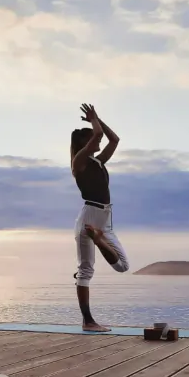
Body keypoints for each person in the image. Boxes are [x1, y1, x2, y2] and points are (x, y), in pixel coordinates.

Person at [70, 103, 130, 332]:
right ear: (85, 144)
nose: (99, 142)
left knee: (123, 266)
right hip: (89, 217)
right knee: (86, 270)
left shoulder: (98, 162)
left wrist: (99, 119)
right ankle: (88, 322)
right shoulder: (80, 162)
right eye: (94, 140)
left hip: (105, 221)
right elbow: (98, 134)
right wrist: (94, 122)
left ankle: (99, 239)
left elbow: (114, 139)